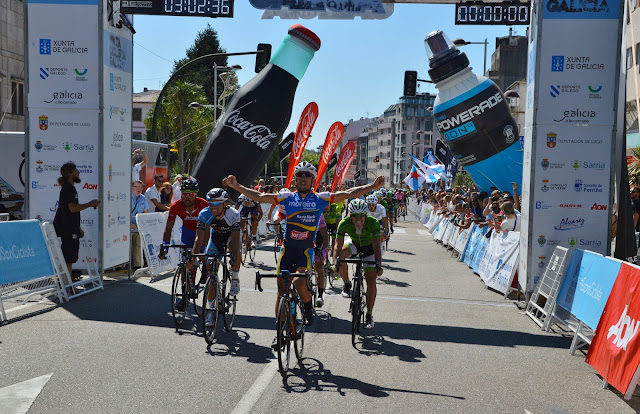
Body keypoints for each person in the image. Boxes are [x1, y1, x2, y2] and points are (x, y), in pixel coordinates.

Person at [224, 161, 384, 342]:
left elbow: (348, 193)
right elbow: (260, 196)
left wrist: (373, 186)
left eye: (307, 175)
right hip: (287, 250)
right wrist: (237, 186)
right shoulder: (287, 197)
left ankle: (308, 307)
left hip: (305, 251)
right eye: (300, 174)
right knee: (281, 290)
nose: (303, 178)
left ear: (313, 179)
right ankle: (280, 331)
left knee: (299, 282)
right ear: (295, 178)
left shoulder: (320, 198)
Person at [192, 188, 241, 325]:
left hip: (231, 237)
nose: (213, 207)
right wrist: (193, 256)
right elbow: (199, 238)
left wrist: (234, 256)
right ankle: (211, 310)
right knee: (211, 273)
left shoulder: (233, 214)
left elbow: (235, 240)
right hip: (216, 238)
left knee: (235, 249)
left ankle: (235, 277)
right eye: (210, 203)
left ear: (225, 204)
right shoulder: (204, 214)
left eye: (216, 203)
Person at [333, 198, 383, 329]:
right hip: (355, 244)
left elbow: (377, 246)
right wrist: (336, 262)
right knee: (341, 257)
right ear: (350, 215)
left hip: (370, 249)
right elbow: (337, 245)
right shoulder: (344, 223)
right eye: (355, 215)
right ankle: (347, 283)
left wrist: (378, 263)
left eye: (361, 215)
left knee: (371, 280)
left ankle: (369, 314)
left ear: (366, 214)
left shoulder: (373, 223)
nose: (358, 219)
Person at [53, 162, 100, 280]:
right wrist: (90, 204)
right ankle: (65, 283)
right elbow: (72, 208)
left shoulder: (71, 188)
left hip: (71, 228)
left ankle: (66, 282)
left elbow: (71, 211)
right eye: (76, 171)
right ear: (70, 174)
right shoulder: (68, 188)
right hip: (67, 229)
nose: (78, 173)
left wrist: (78, 227)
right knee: (68, 258)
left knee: (69, 258)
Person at [131, 180, 150, 270]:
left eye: (141, 187)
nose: (139, 189)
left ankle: (138, 266)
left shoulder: (142, 198)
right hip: (127, 226)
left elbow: (146, 212)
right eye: (136, 187)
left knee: (138, 244)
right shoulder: (127, 197)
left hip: (138, 227)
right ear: (132, 187)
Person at [313, 213, 330, 307]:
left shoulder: (318, 213)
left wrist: (324, 248)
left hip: (318, 236)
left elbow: (324, 233)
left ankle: (320, 295)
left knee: (319, 266)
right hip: (304, 236)